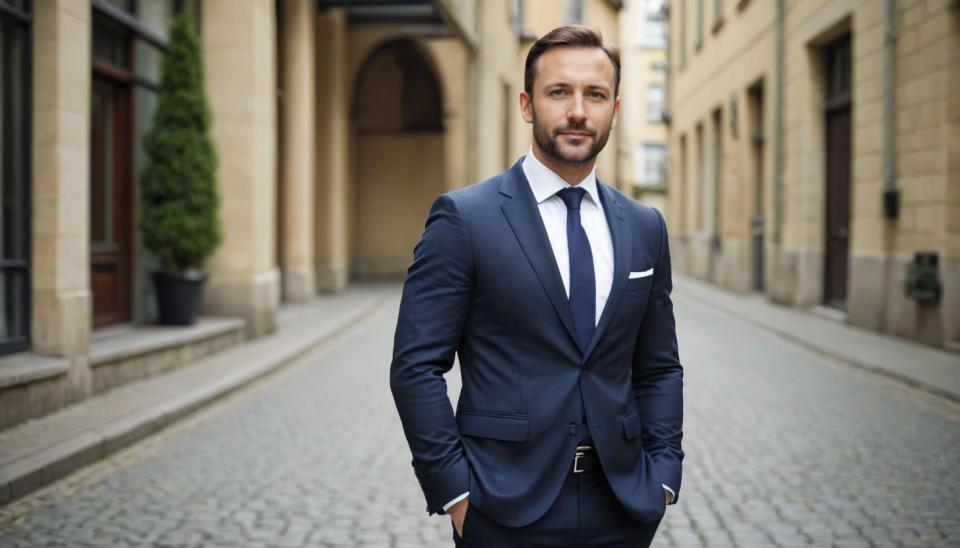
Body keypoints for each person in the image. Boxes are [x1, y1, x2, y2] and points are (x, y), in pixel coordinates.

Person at [390, 25, 683, 547]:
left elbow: (658, 366)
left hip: (621, 507)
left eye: (594, 95)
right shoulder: (465, 219)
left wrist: (661, 476)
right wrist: (456, 493)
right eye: (558, 92)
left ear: (614, 110)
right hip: (503, 509)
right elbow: (415, 366)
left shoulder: (644, 227)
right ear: (527, 105)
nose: (577, 111)